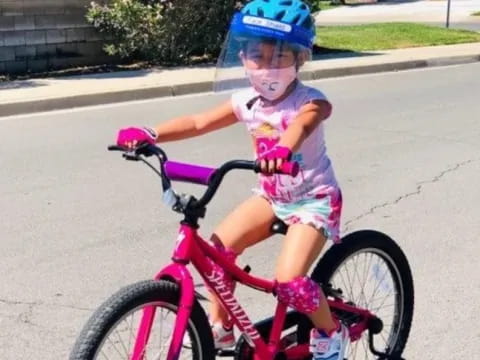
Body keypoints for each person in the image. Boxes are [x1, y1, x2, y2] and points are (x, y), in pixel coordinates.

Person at [116, 0, 348, 359]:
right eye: (258, 55)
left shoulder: (310, 100)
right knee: (216, 254)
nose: (268, 66)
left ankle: (330, 333)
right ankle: (221, 330)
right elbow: (198, 122)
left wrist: (284, 150)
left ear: (301, 59)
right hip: (272, 196)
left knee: (290, 283)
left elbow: (303, 125)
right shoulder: (246, 101)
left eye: (280, 56)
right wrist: (150, 133)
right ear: (242, 58)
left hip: (313, 199)